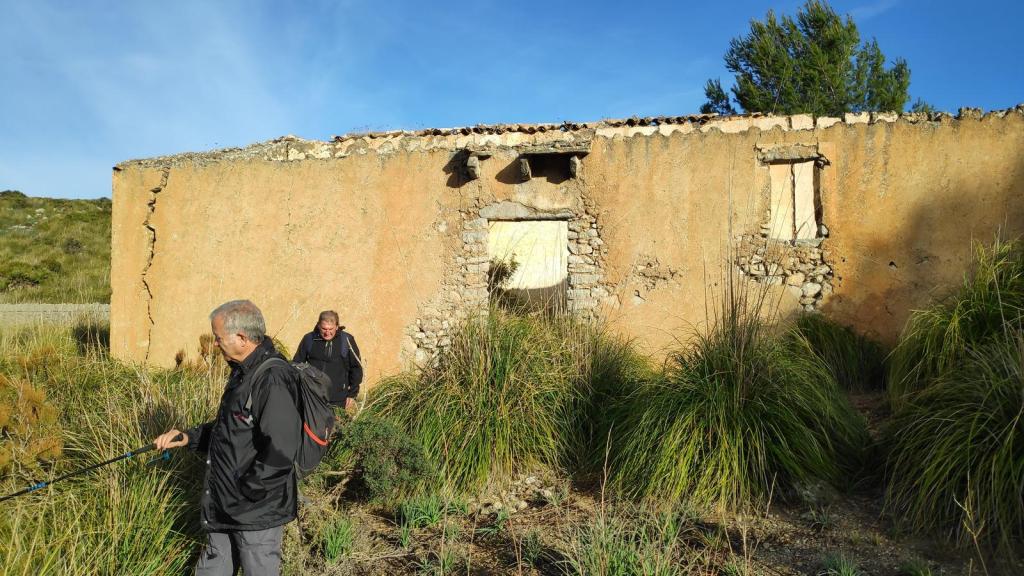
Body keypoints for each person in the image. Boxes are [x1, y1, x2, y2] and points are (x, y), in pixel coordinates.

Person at [154, 300, 301, 576]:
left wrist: (247, 493)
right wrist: (187, 437)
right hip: (223, 505)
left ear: (242, 338)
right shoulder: (242, 372)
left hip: (254, 514)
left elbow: (281, 450)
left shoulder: (273, 379)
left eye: (219, 338)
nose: (216, 344)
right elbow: (230, 429)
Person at [292, 310, 363, 409]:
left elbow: (356, 368)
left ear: (337, 326)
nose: (327, 333)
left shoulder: (347, 341)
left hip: (339, 399)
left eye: (331, 329)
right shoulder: (309, 339)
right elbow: (297, 365)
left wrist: (352, 394)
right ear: (318, 326)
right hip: (313, 397)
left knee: (337, 424)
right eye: (324, 329)